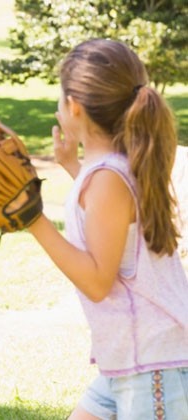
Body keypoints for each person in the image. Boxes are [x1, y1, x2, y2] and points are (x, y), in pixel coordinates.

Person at [26, 39, 188, 418]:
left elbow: (98, 280)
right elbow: (105, 219)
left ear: (74, 107)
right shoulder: (108, 172)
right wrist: (72, 165)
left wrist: (32, 220)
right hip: (133, 356)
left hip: (153, 362)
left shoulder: (109, 178)